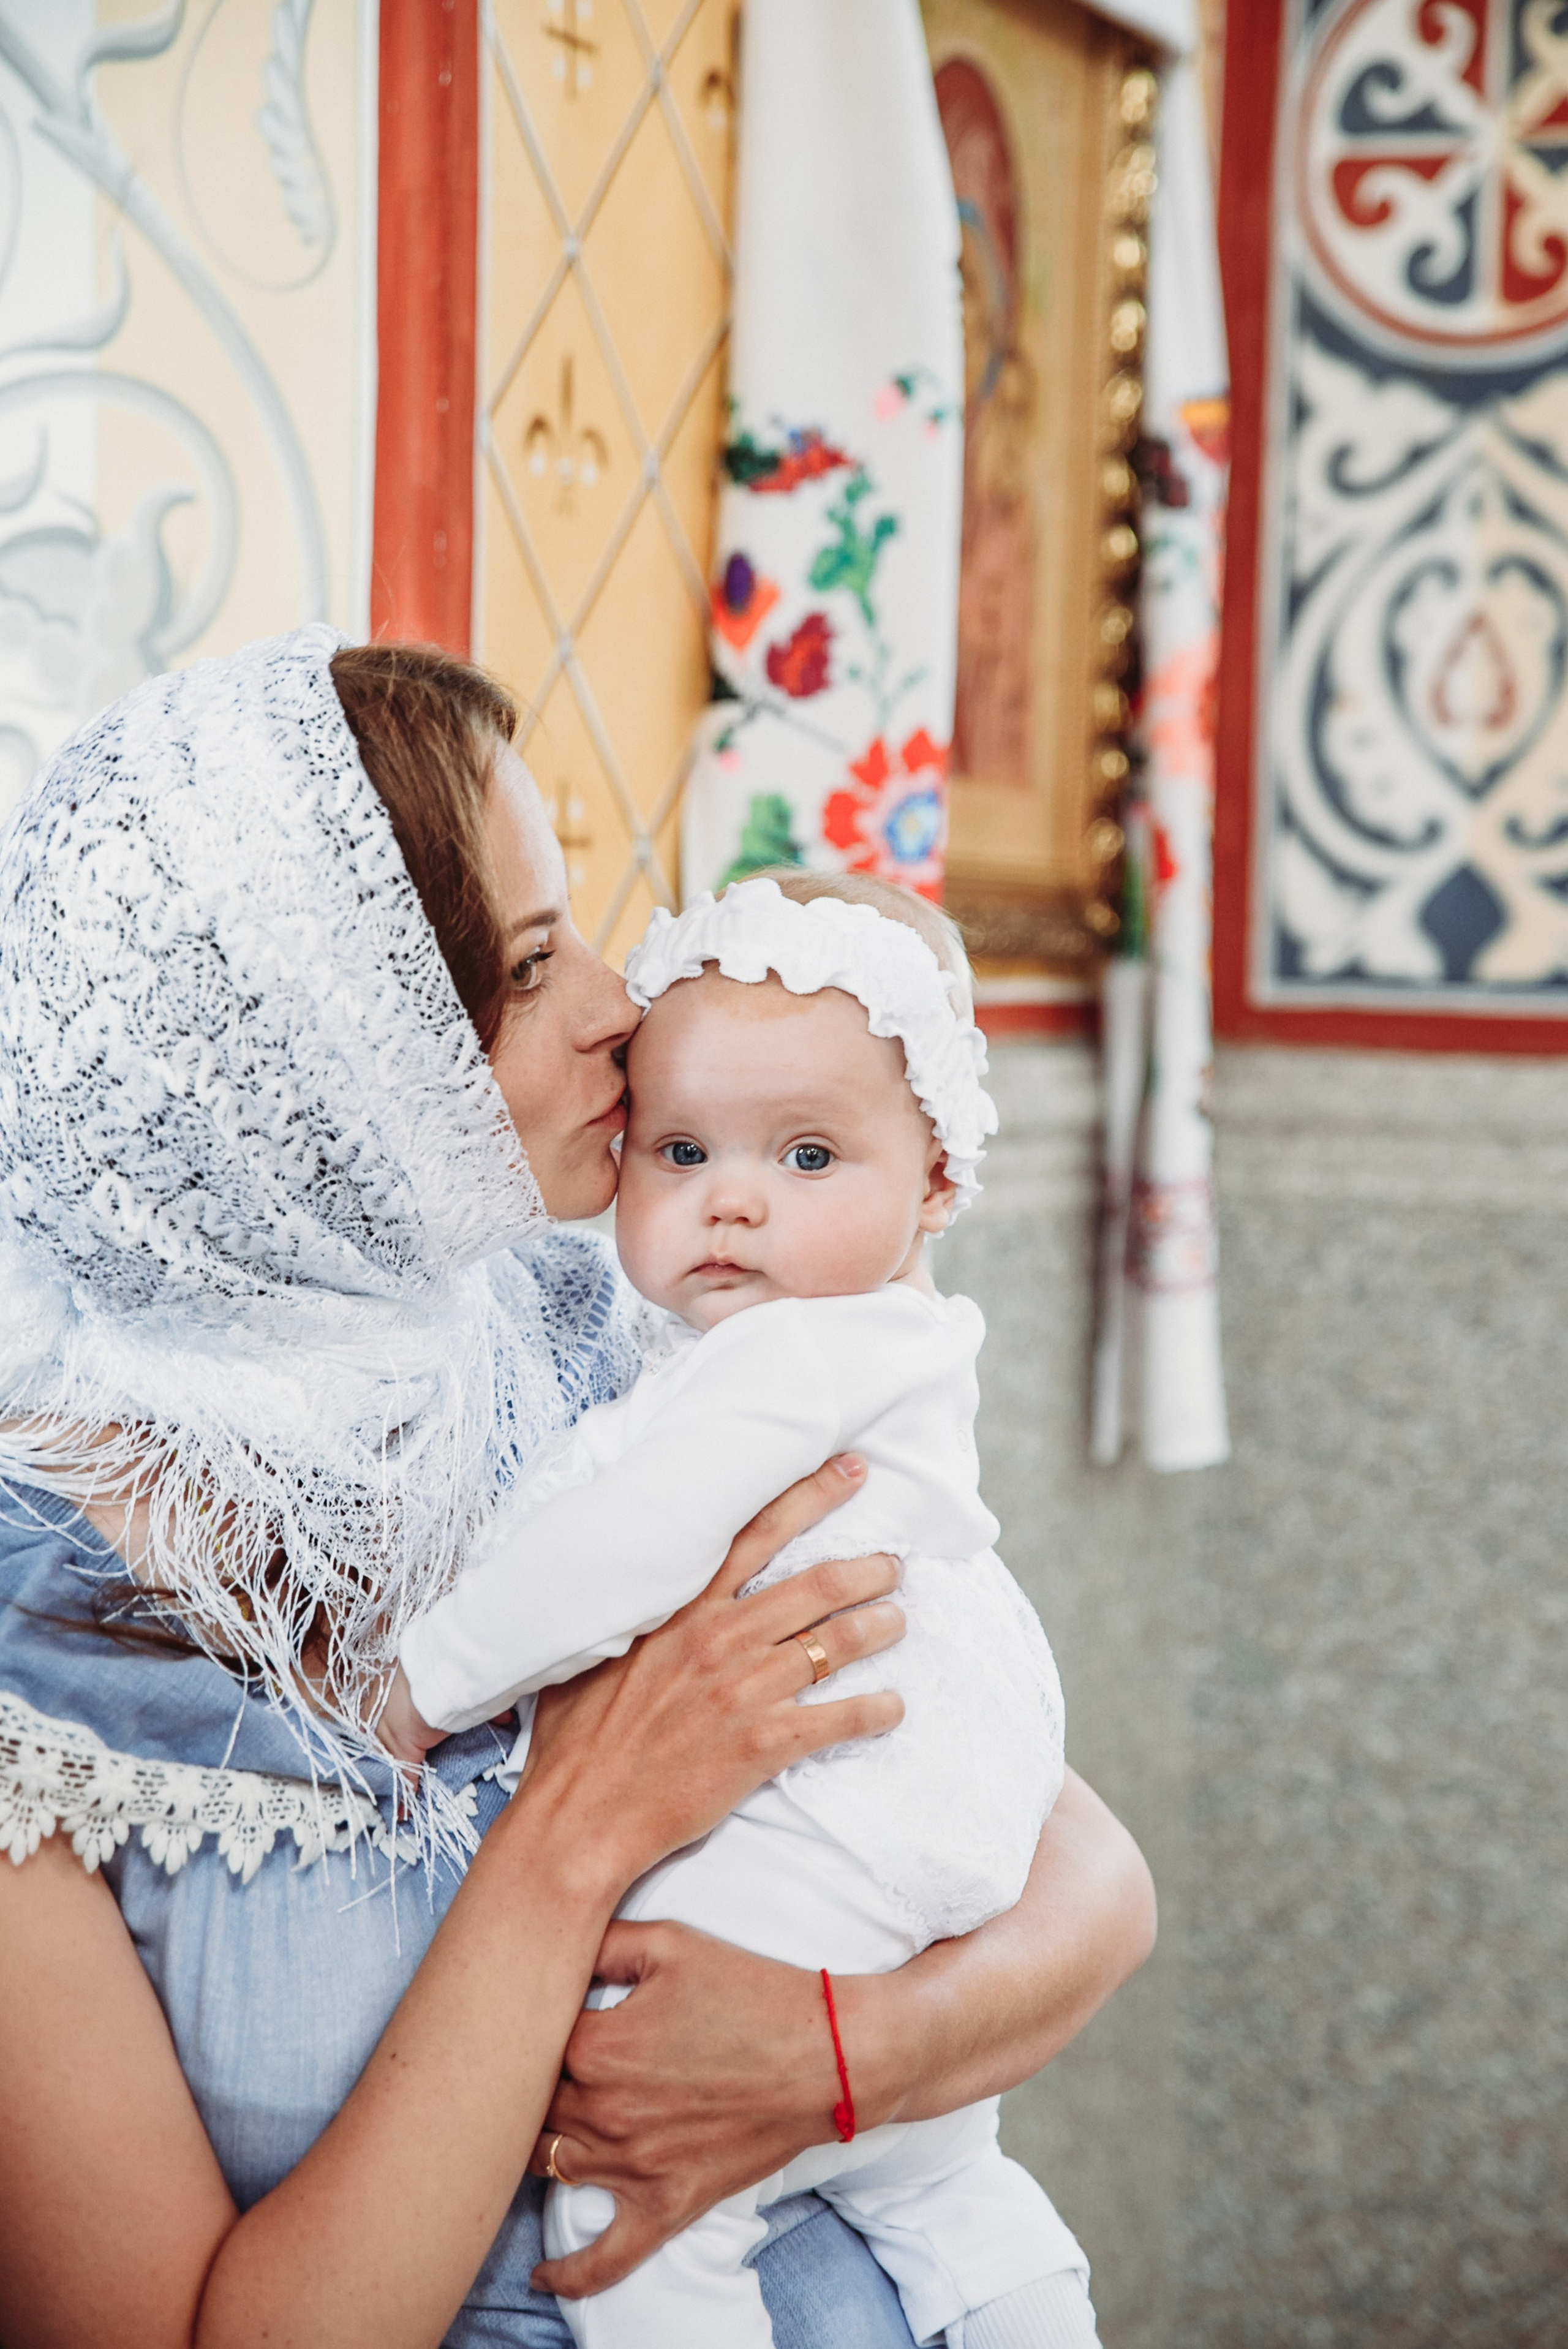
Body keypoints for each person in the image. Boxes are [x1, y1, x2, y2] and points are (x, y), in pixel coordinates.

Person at [0, 628, 1156, 2349]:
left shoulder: (596, 1337)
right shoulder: (33, 1669)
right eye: (535, 961)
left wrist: (845, 2057)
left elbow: (1086, 1869)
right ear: (328, 1069)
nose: (619, 1001)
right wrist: (576, 1830)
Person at [381, 870, 1099, 2349]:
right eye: (682, 1148)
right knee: (946, 2181)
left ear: (938, 1183)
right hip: (936, 1847)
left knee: (630, 2182)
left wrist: (421, 1687)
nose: (732, 1198)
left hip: (828, 1838)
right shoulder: (833, 1340)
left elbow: (628, 1548)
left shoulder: (796, 1356)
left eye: (808, 1154)